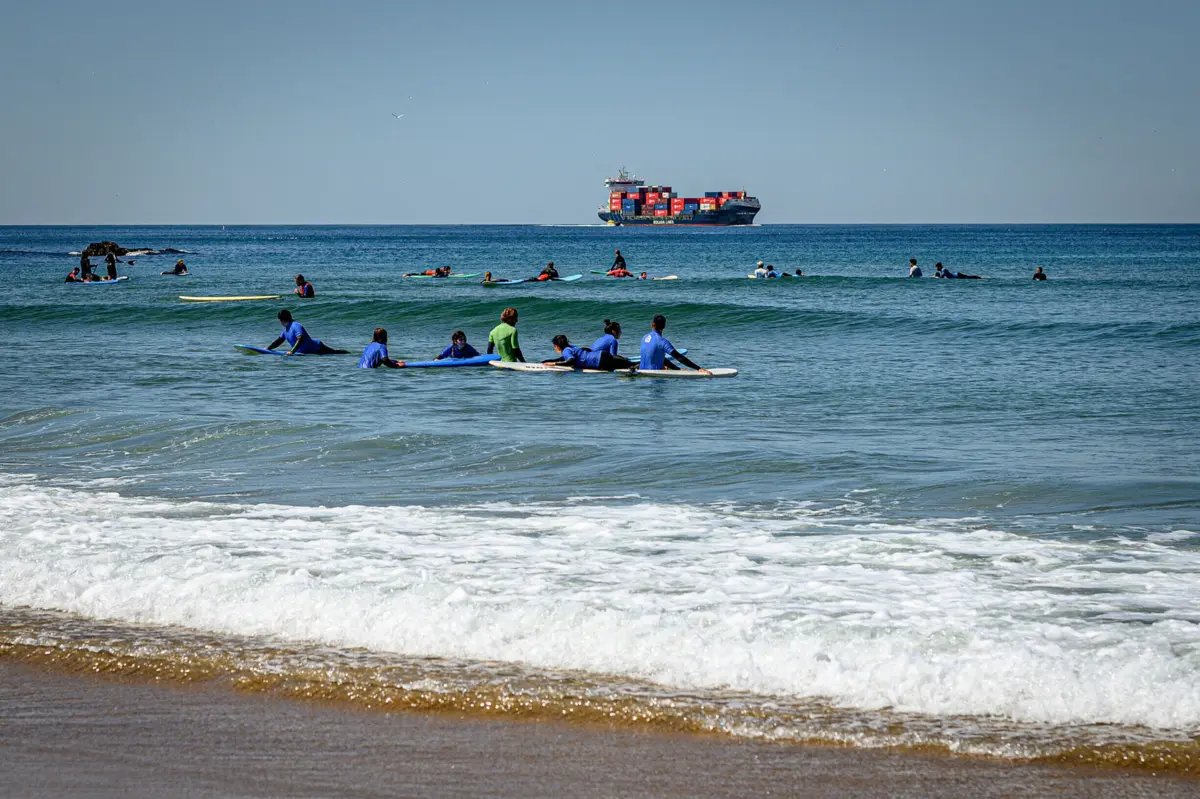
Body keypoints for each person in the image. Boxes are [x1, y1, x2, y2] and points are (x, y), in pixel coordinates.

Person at [639, 314, 710, 374]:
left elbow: (658, 357)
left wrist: (677, 369)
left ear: (652, 325)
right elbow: (678, 357)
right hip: (654, 377)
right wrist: (698, 368)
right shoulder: (661, 341)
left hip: (641, 373)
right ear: (664, 326)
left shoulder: (644, 338)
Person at [267, 309, 347, 355]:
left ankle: (348, 354)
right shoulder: (286, 330)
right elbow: (278, 341)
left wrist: (292, 351)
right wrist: (268, 348)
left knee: (335, 353)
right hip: (308, 351)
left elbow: (300, 338)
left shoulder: (296, 325)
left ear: (281, 320)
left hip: (317, 348)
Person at [542, 334, 635, 372]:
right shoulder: (572, 347)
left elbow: (570, 361)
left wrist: (554, 364)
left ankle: (638, 367)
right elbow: (564, 358)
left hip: (600, 361)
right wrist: (546, 361)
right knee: (628, 363)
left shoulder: (566, 351)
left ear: (556, 346)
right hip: (601, 355)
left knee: (628, 366)